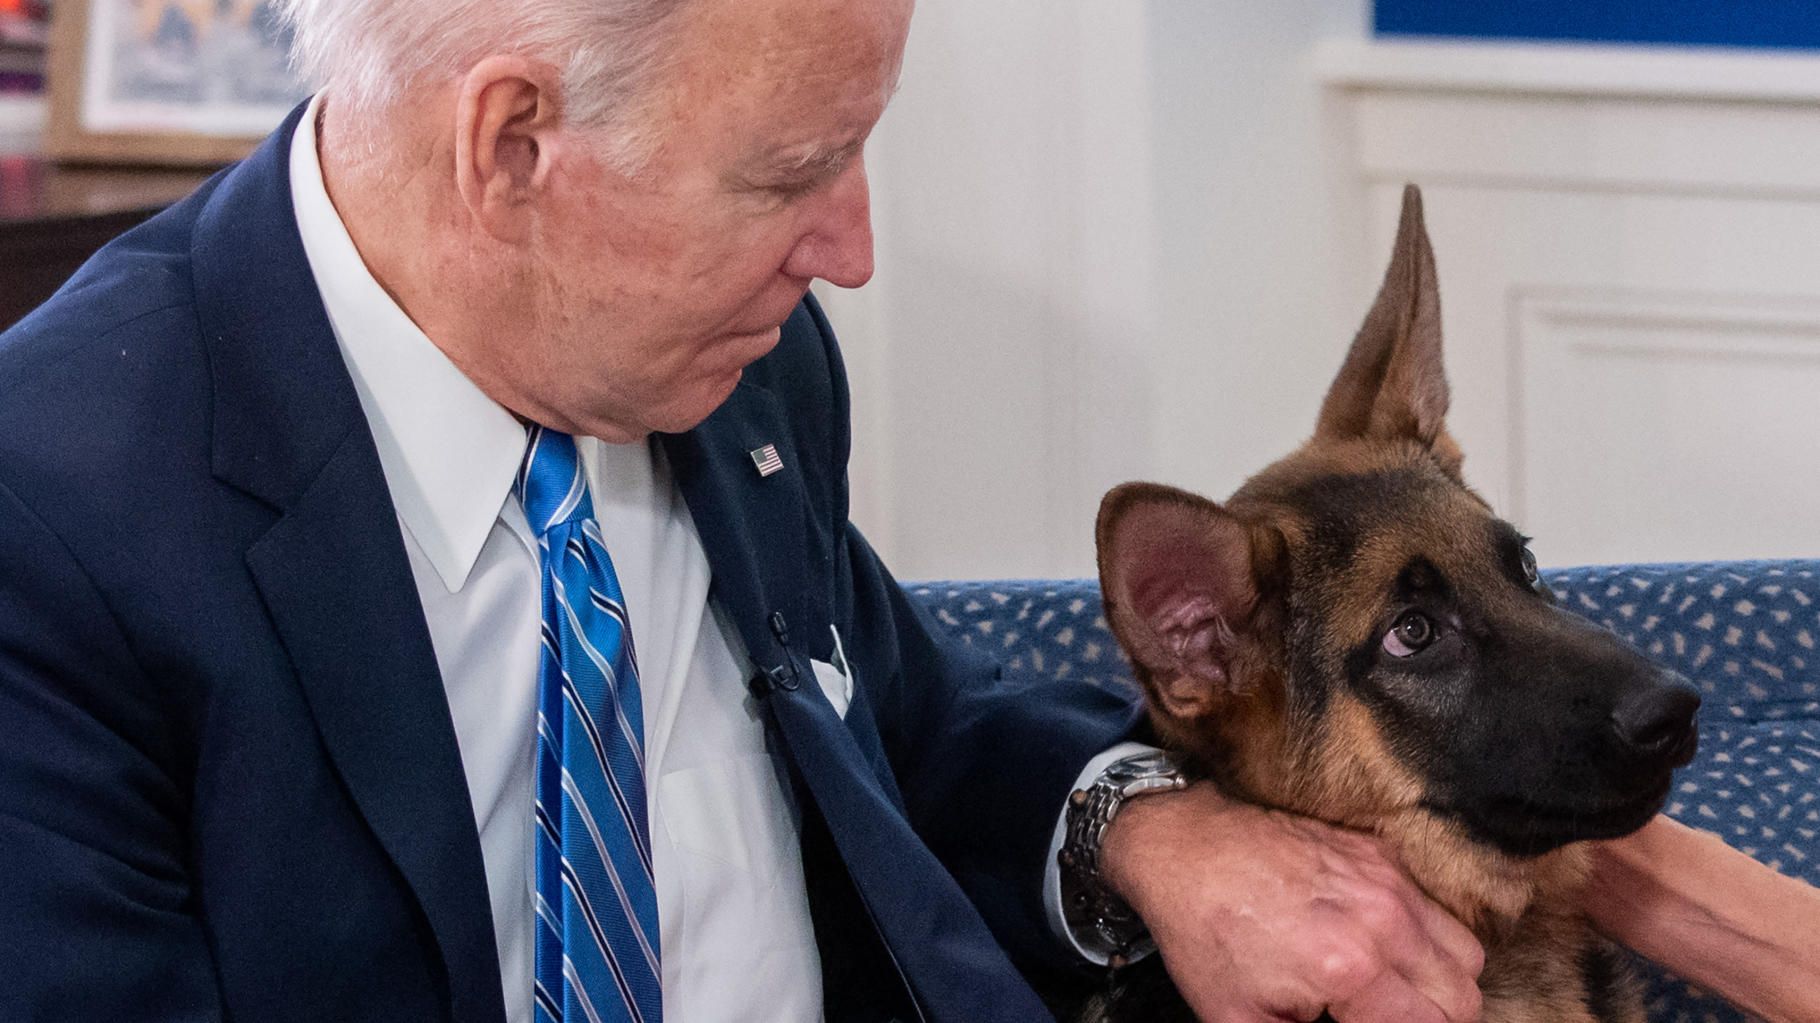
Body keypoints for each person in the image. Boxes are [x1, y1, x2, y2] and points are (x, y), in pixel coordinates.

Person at [0, 0, 1806, 1020]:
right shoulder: (60, 517)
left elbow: (911, 730)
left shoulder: (738, 364)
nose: (849, 249)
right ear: (510, 149)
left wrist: (1151, 835)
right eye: (790, 173)